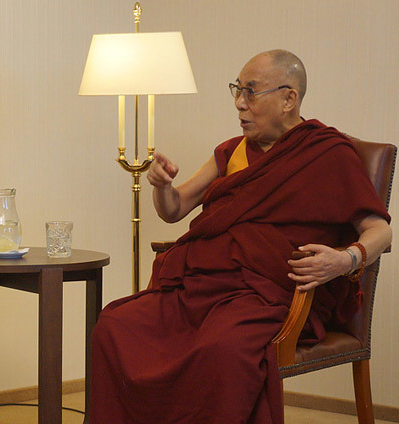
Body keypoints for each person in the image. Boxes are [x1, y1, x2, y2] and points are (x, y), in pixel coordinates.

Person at [89, 50, 392, 424]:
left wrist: (345, 259)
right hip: (200, 286)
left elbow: (380, 230)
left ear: (288, 98)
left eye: (251, 92)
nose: (239, 103)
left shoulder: (328, 154)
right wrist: (162, 186)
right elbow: (174, 210)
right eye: (237, 90)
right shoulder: (231, 152)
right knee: (115, 325)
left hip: (269, 294)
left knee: (222, 349)